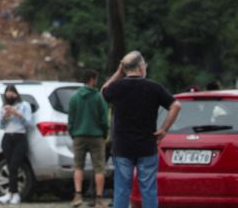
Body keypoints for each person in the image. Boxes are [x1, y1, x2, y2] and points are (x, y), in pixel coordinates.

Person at [102, 51, 181, 208]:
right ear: (140, 67)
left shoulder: (117, 87)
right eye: (144, 64)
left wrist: (118, 73)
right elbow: (176, 105)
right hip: (147, 146)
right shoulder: (154, 87)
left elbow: (103, 91)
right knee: (148, 189)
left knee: (122, 190)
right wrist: (164, 129)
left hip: (122, 147)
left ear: (124, 69)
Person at [67, 69, 109, 208]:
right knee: (99, 168)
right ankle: (99, 199)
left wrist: (73, 132)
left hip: (79, 136)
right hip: (96, 136)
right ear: (92, 79)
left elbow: (71, 119)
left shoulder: (74, 97)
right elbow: (104, 119)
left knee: (78, 166)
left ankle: (78, 195)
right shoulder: (98, 97)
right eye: (95, 79)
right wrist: (104, 133)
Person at [0, 84, 32, 205]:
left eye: (12, 92)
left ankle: (15, 194)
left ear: (16, 94)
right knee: (9, 165)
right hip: (7, 137)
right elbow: (1, 126)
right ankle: (10, 193)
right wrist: (5, 116)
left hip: (20, 136)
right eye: (7, 92)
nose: (10, 94)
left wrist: (16, 113)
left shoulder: (24, 105)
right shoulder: (3, 107)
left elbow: (28, 124)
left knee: (14, 166)